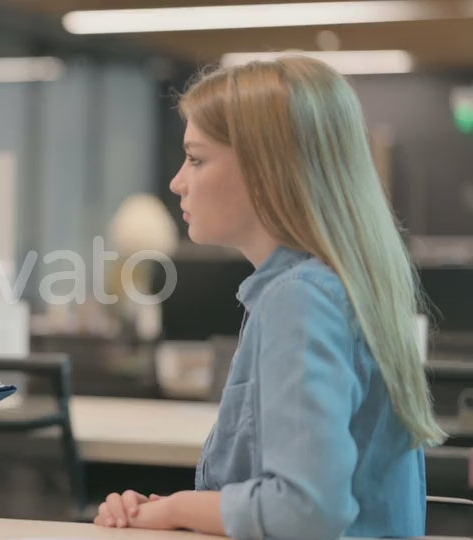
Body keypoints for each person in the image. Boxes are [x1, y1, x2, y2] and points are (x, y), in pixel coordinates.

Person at [94, 56, 446, 538]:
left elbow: (305, 511)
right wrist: (176, 512)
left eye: (196, 158)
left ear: (266, 171)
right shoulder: (327, 288)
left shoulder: (301, 300)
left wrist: (177, 509)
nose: (178, 182)